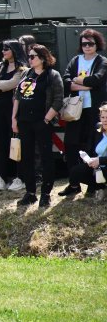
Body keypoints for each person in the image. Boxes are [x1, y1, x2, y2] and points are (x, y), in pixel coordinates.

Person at [12, 44, 64, 208]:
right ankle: (30, 192)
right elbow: (17, 97)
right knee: (26, 157)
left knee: (45, 156)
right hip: (24, 122)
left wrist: (46, 120)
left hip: (42, 122)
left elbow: (58, 100)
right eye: (29, 56)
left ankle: (46, 193)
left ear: (42, 58)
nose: (30, 59)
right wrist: (14, 118)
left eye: (33, 56)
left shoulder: (52, 75)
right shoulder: (27, 74)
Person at [59, 29, 107, 197]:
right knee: (71, 144)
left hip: (95, 111)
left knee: (93, 145)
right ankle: (74, 184)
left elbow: (97, 80)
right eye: (84, 43)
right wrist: (85, 85)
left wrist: (78, 81)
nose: (87, 47)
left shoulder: (102, 61)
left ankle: (95, 184)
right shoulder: (75, 61)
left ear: (97, 44)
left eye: (90, 43)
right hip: (75, 110)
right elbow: (65, 82)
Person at [0, 39, 28, 192]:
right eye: (3, 49)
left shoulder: (22, 69)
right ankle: (2, 178)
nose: (3, 51)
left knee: (16, 144)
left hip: (13, 110)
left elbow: (13, 84)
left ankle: (20, 177)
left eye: (7, 48)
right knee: (1, 144)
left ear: (15, 50)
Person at [69, 103, 107, 198]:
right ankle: (100, 187)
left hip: (104, 164)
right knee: (76, 171)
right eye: (103, 117)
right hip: (97, 166)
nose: (105, 120)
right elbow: (89, 147)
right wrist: (88, 159)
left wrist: (99, 160)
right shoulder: (98, 129)